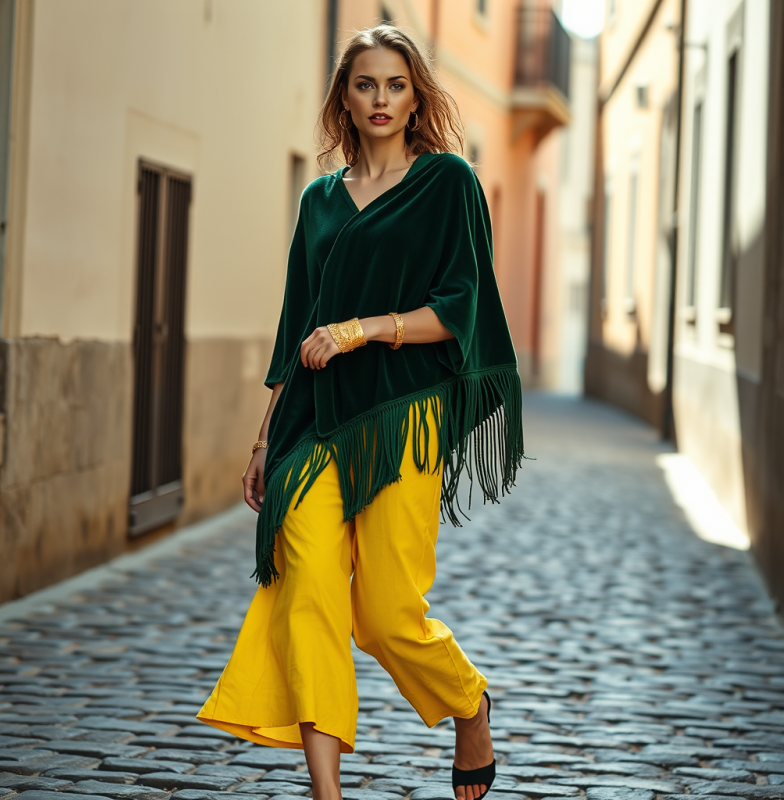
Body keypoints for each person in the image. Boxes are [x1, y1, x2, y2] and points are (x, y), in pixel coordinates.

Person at [197, 23, 525, 800]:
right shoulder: (318, 201)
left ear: (416, 98)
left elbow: (461, 309)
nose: (380, 100)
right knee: (306, 592)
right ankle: (326, 794)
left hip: (401, 418)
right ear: (343, 96)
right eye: (365, 85)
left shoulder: (447, 183)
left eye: (396, 85)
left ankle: (468, 702)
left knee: (382, 616)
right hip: (311, 425)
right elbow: (292, 326)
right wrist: (261, 438)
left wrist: (358, 331)